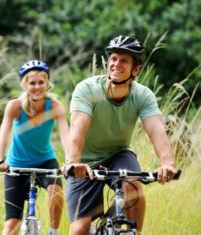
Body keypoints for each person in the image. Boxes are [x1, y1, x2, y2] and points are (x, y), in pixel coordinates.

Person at [65, 35, 177, 234]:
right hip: (83, 162)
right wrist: (74, 161)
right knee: (79, 229)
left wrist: (167, 164)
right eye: (114, 59)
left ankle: (133, 232)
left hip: (118, 155)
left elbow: (156, 130)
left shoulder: (143, 95)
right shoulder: (88, 89)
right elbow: (77, 127)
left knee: (133, 185)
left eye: (124, 60)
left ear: (135, 70)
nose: (117, 64)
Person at [0, 60, 69, 235]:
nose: (37, 87)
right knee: (11, 224)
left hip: (45, 161)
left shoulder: (56, 106)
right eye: (32, 83)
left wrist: (69, 161)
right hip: (16, 164)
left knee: (56, 191)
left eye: (41, 82)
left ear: (47, 83)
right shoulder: (14, 106)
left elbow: (67, 137)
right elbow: (3, 136)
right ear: (25, 85)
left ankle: (54, 231)